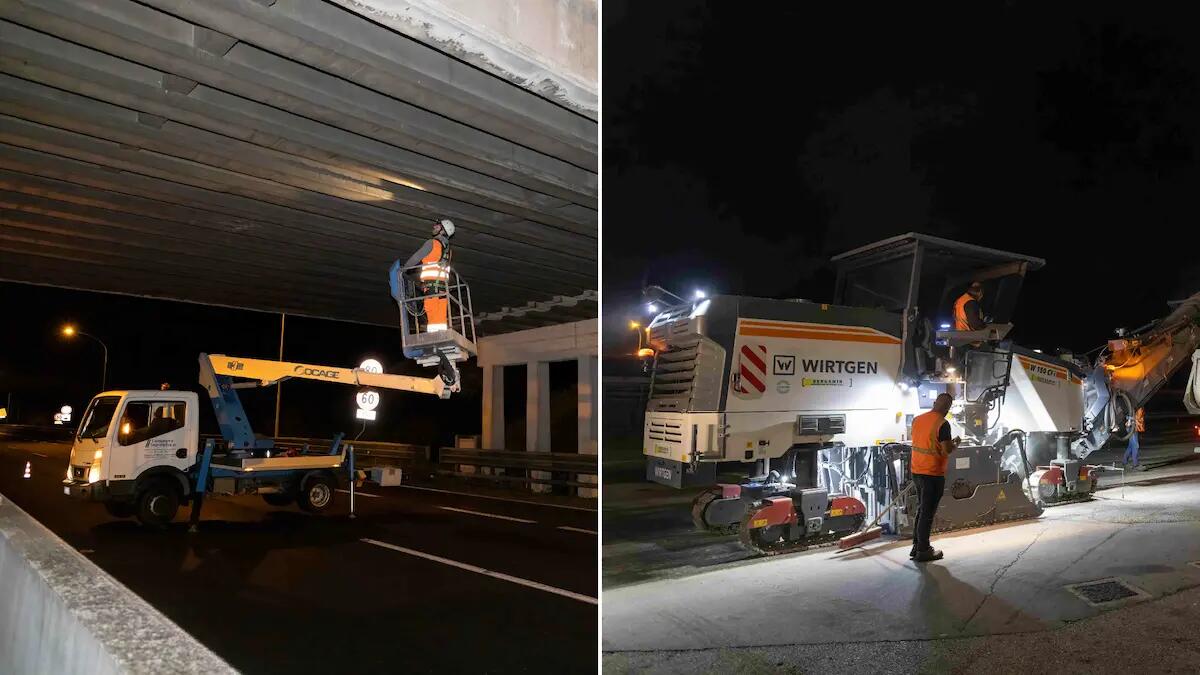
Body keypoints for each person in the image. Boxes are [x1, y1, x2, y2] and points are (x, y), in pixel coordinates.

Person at [909, 393, 960, 562]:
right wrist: (956, 443)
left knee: (921, 510)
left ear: (934, 403)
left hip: (917, 471)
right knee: (927, 513)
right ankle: (924, 550)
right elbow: (946, 450)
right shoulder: (942, 424)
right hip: (932, 474)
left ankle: (916, 547)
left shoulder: (917, 419)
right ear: (948, 407)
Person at [403, 219, 456, 332]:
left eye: (438, 226)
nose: (434, 227)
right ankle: (442, 336)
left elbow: (416, 258)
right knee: (441, 316)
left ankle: (434, 339)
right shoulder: (449, 250)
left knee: (431, 312)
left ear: (443, 231)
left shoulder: (432, 243)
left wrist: (403, 269)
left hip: (431, 287)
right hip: (443, 289)